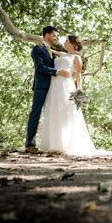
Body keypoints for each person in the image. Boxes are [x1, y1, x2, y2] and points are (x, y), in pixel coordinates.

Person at [40, 35, 112, 156]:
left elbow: (78, 75)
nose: (64, 43)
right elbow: (49, 49)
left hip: (66, 86)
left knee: (66, 112)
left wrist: (79, 92)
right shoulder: (62, 54)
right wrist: (41, 43)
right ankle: (54, 144)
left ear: (73, 44)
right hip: (54, 85)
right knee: (53, 110)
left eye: (67, 41)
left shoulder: (76, 57)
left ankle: (66, 144)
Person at [25, 26, 71, 154]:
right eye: (54, 35)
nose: (55, 38)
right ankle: (30, 144)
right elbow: (40, 68)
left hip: (53, 88)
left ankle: (54, 144)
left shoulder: (50, 49)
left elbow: (69, 54)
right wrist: (57, 72)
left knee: (52, 115)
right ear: (46, 35)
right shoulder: (37, 48)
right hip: (41, 86)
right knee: (36, 113)